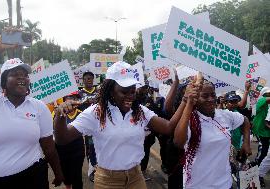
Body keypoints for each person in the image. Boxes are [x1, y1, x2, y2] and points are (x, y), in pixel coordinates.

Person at [54, 61, 190, 189]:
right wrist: (60, 115)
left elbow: (168, 127)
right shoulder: (97, 112)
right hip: (108, 181)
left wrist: (185, 100)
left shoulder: (139, 110)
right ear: (110, 90)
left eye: (132, 91)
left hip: (136, 178)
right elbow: (62, 138)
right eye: (124, 92)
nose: (130, 96)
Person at [0, 36, 64, 189]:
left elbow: (48, 147)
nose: (22, 77)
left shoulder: (39, 107)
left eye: (25, 74)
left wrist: (58, 172)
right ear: (3, 82)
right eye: (15, 74)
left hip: (32, 177)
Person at [174, 79, 251, 189]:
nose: (210, 99)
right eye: (205, 96)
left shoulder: (225, 115)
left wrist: (246, 143)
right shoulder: (190, 120)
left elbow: (245, 120)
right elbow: (178, 142)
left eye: (213, 95)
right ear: (196, 98)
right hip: (198, 185)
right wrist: (189, 103)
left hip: (225, 183)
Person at [54, 91, 85, 189]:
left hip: (77, 147)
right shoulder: (56, 113)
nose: (71, 100)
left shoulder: (82, 114)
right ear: (64, 100)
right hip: (61, 148)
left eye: (74, 98)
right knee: (65, 171)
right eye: (69, 97)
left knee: (77, 174)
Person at [78, 70, 98, 182]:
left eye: (90, 78)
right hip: (87, 126)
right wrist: (85, 101)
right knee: (90, 147)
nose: (88, 80)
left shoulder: (99, 91)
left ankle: (99, 167)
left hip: (100, 123)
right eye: (86, 79)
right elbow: (77, 105)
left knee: (99, 145)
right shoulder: (79, 93)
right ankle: (92, 170)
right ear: (83, 81)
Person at [252, 87, 270, 166]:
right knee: (263, 149)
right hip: (260, 130)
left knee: (265, 150)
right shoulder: (261, 100)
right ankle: (257, 166)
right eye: (268, 94)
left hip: (266, 131)